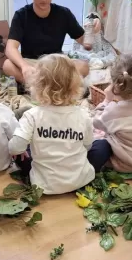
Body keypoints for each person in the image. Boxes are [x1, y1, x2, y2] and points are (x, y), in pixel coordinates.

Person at [8, 54, 108, 195]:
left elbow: (14, 148)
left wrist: (23, 148)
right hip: (80, 180)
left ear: (36, 86)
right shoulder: (83, 115)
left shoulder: (32, 115)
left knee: (21, 152)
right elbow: (88, 146)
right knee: (103, 145)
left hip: (42, 185)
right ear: (75, 85)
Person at [3, 0, 101, 86]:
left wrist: (93, 29)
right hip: (32, 63)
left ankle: (39, 86)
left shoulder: (64, 13)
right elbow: (10, 48)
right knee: (7, 65)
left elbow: (85, 44)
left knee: (83, 67)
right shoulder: (21, 15)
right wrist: (24, 67)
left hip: (57, 63)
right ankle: (54, 85)